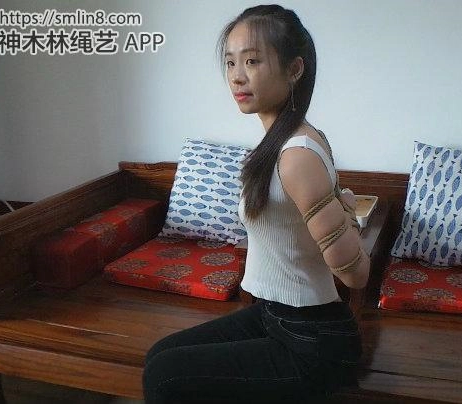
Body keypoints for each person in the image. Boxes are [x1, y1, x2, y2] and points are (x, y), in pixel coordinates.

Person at [142, 5, 370, 403]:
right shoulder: (274, 143)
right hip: (272, 315)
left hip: (313, 340)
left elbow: (356, 276)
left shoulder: (297, 155)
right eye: (230, 62)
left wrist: (345, 217)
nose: (236, 76)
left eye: (252, 61)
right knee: (160, 356)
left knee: (164, 377)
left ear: (294, 69)